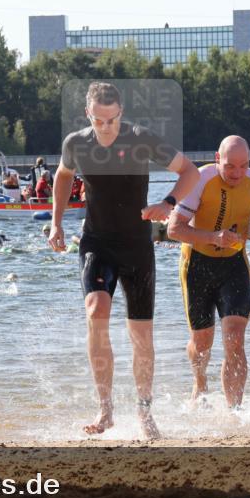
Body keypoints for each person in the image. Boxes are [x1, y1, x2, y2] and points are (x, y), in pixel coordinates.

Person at [50, 81, 200, 438]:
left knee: (141, 336)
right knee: (96, 310)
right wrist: (55, 222)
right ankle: (105, 410)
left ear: (120, 113)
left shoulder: (140, 139)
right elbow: (62, 175)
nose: (106, 127)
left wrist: (167, 203)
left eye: (112, 120)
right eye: (100, 121)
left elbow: (190, 172)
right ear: (89, 114)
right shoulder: (76, 143)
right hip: (97, 242)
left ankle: (145, 411)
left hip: (136, 246)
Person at [166, 136, 250, 408]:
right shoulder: (201, 179)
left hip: (234, 264)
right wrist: (214, 237)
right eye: (230, 166)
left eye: (243, 166)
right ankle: (199, 382)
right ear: (217, 159)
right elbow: (173, 229)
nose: (237, 174)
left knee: (235, 338)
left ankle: (235, 410)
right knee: (202, 343)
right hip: (198, 264)